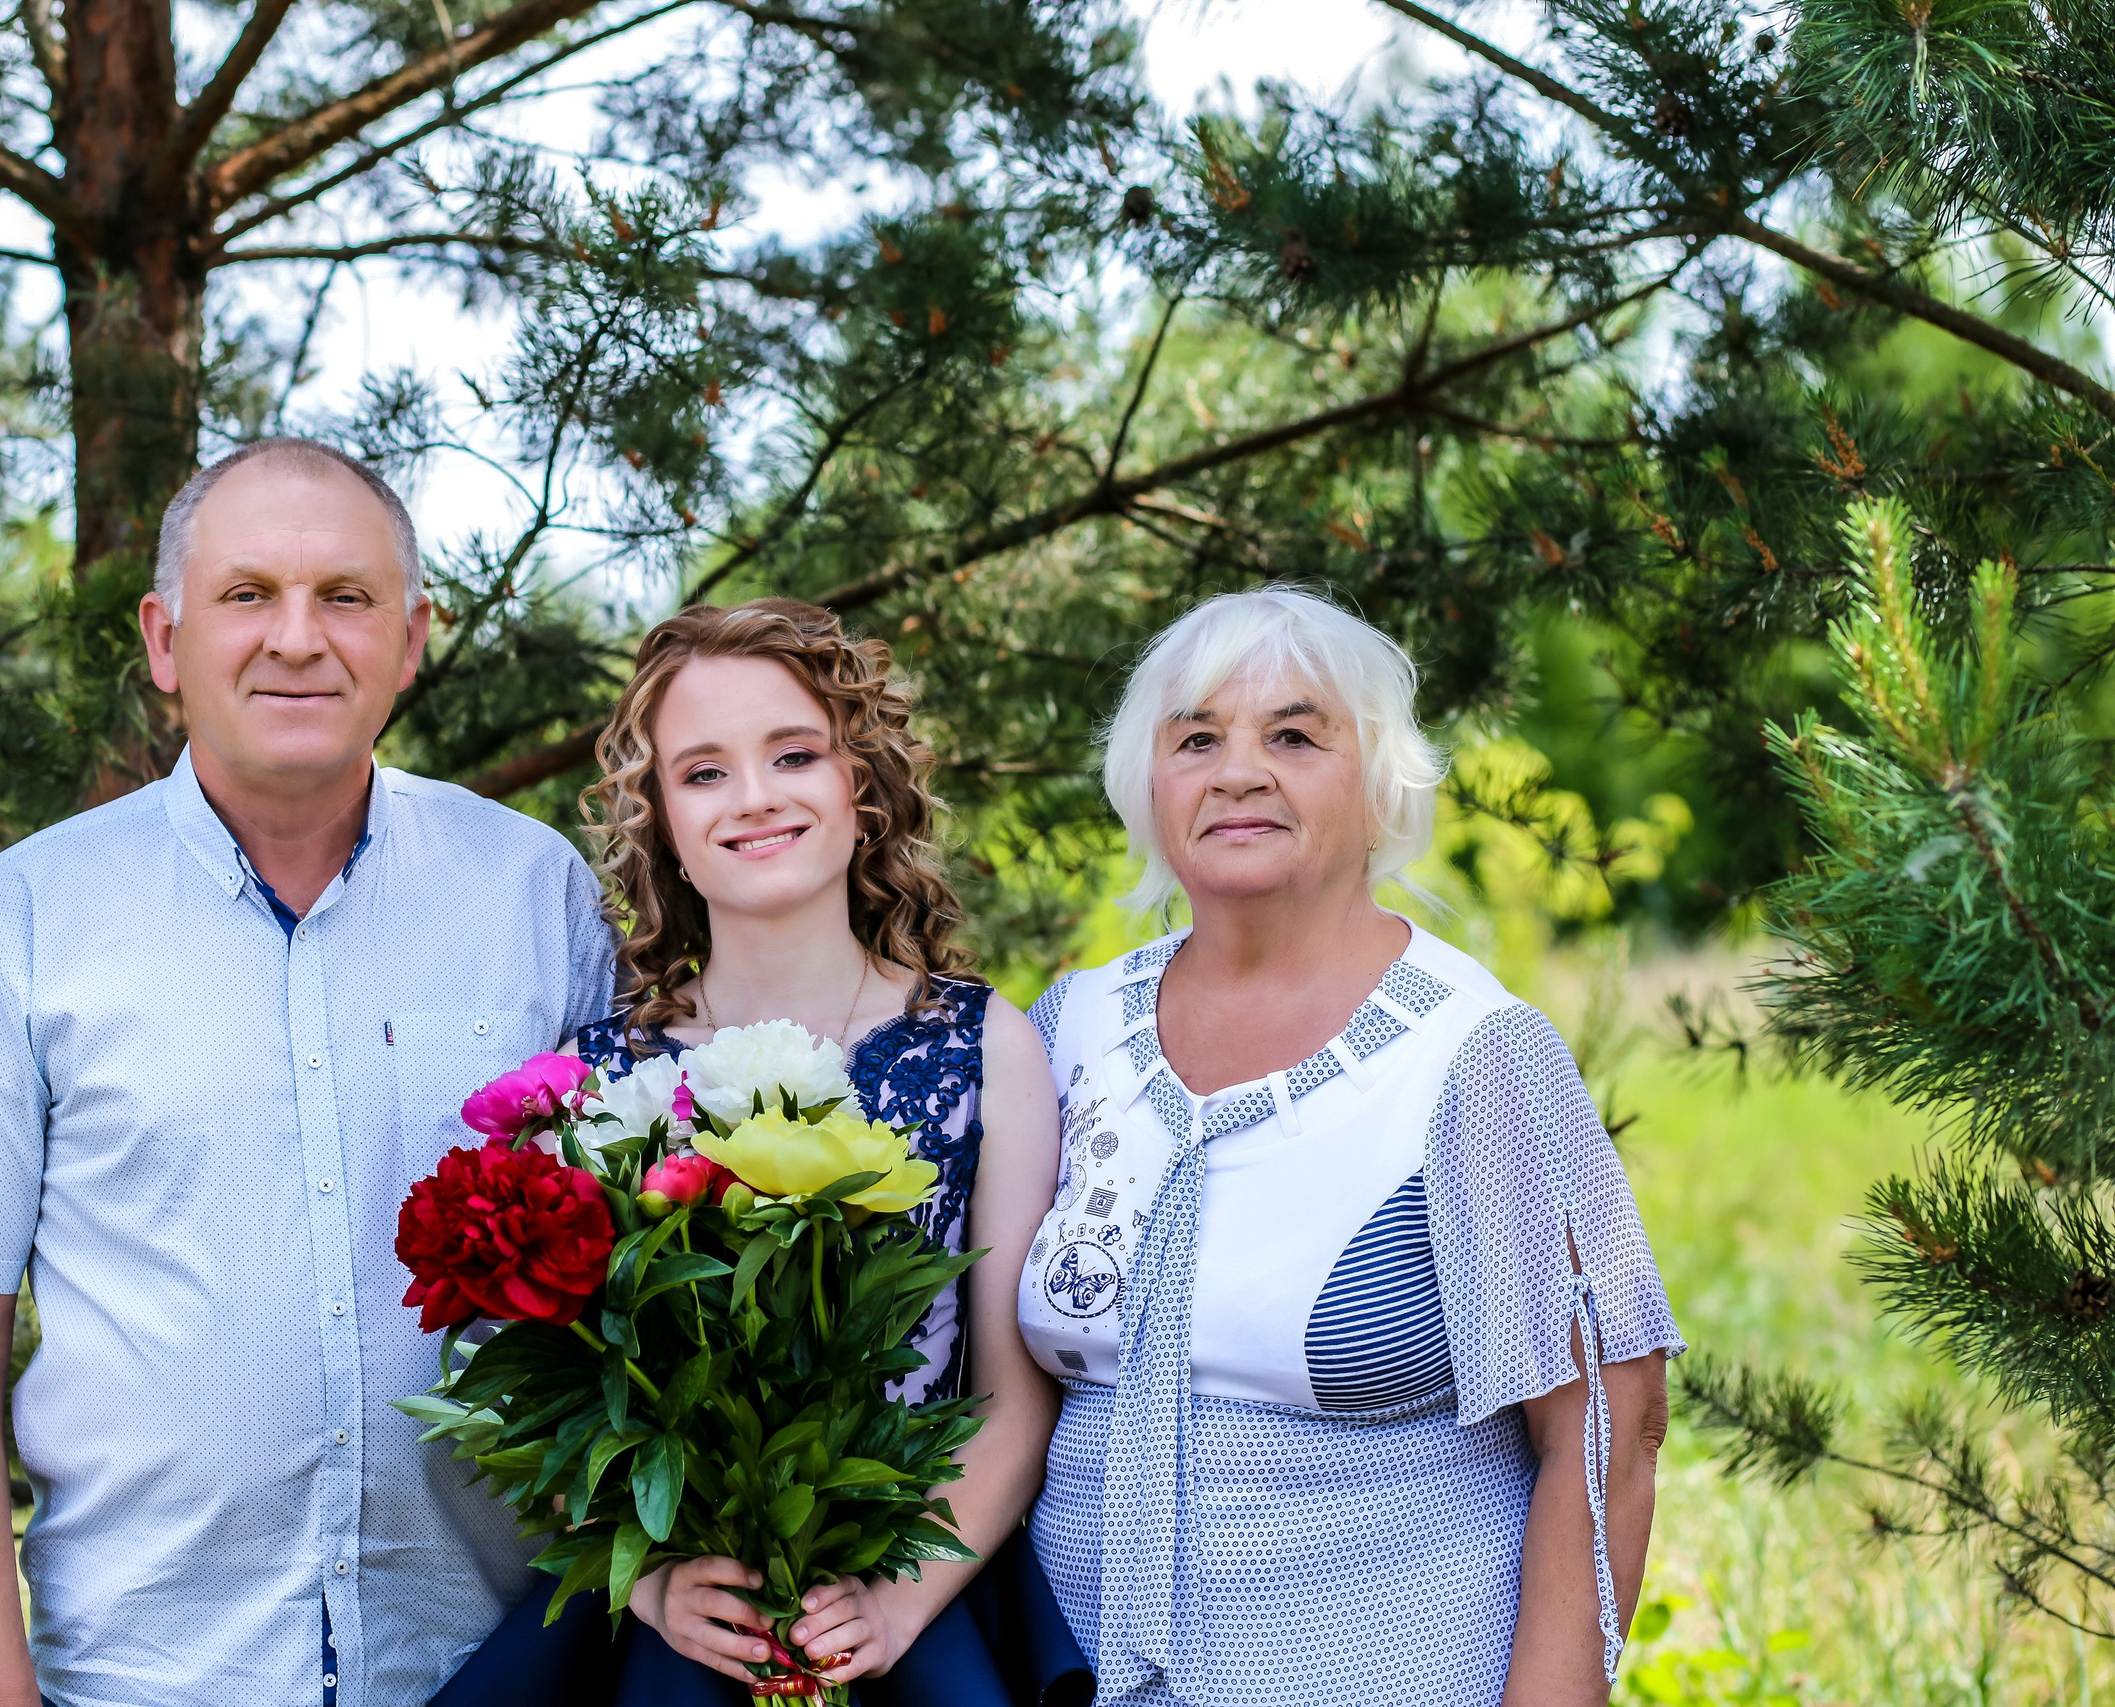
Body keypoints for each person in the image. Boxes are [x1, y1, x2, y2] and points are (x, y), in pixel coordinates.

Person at [0, 438, 616, 1707]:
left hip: (494, 1667)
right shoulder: (22, 925)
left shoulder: (536, 893)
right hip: (148, 1674)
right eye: (247, 595)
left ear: (412, 636)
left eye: (345, 596)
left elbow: (626, 1289)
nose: (296, 637)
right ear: (167, 642)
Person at [1017, 585, 1681, 1707]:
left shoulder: (1472, 1054)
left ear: (1380, 788)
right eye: (1195, 739)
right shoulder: (1067, 1029)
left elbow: (1610, 1430)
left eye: (1292, 734)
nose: (1237, 770)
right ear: (1147, 785)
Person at [438, 598, 1086, 1707]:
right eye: (703, 772)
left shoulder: (986, 1049)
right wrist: (650, 1585)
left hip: (907, 1603)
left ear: (860, 789)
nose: (754, 798)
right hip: (678, 1631)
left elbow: (1009, 1403)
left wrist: (897, 1602)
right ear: (663, 825)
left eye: (794, 754)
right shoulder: (592, 1082)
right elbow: (541, 1400)